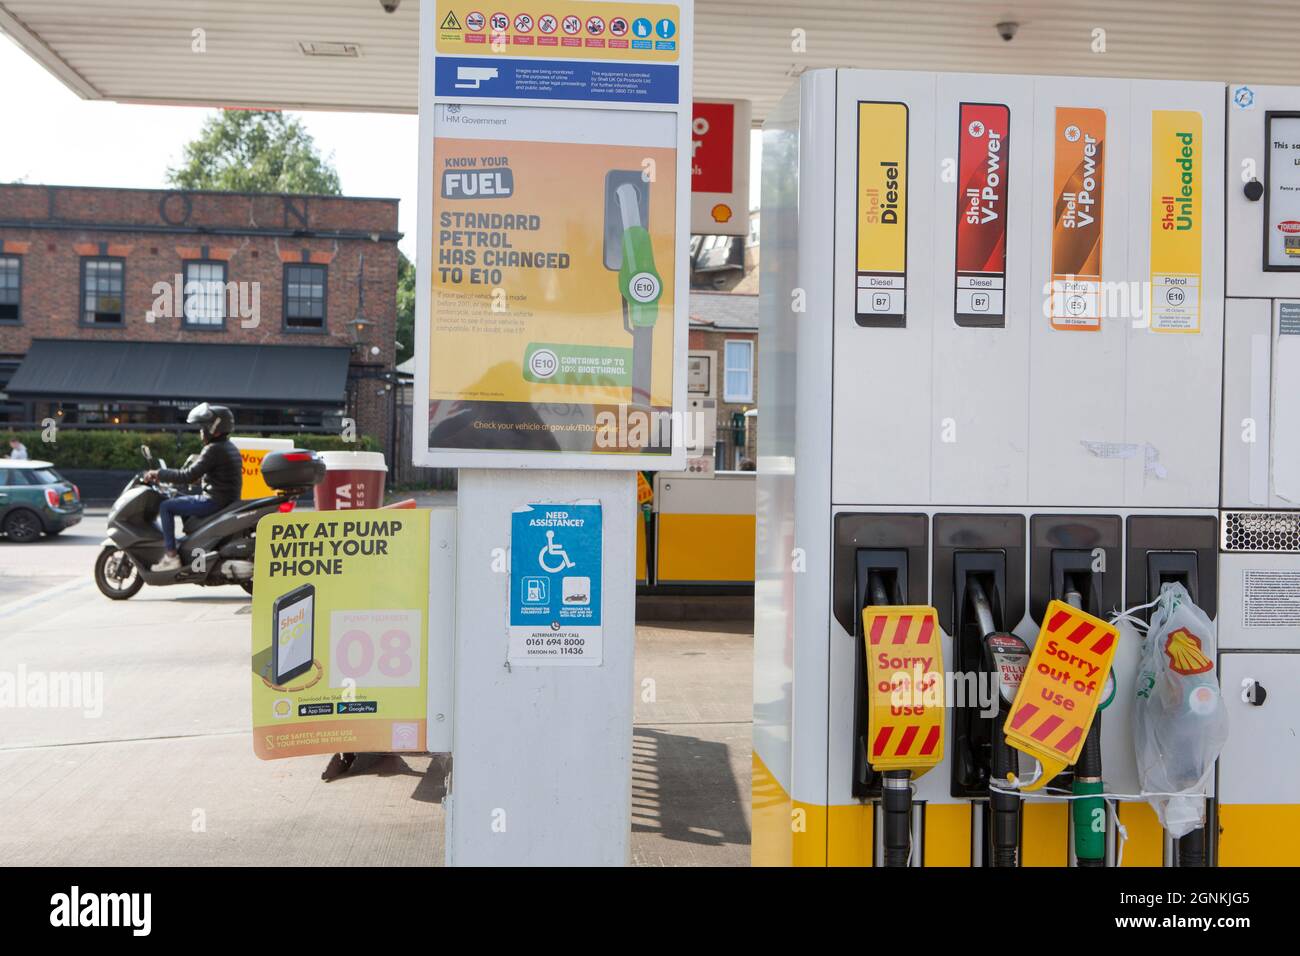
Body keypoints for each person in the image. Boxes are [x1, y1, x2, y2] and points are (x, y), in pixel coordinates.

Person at [145, 403, 242, 572]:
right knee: (180, 501)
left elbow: (187, 475)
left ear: (213, 428)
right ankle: (192, 547)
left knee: (166, 506)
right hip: (225, 499)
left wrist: (159, 473)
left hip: (214, 502)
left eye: (203, 427)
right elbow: (218, 475)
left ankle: (171, 556)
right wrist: (198, 480)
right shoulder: (228, 447)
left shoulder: (213, 449)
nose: (201, 431)